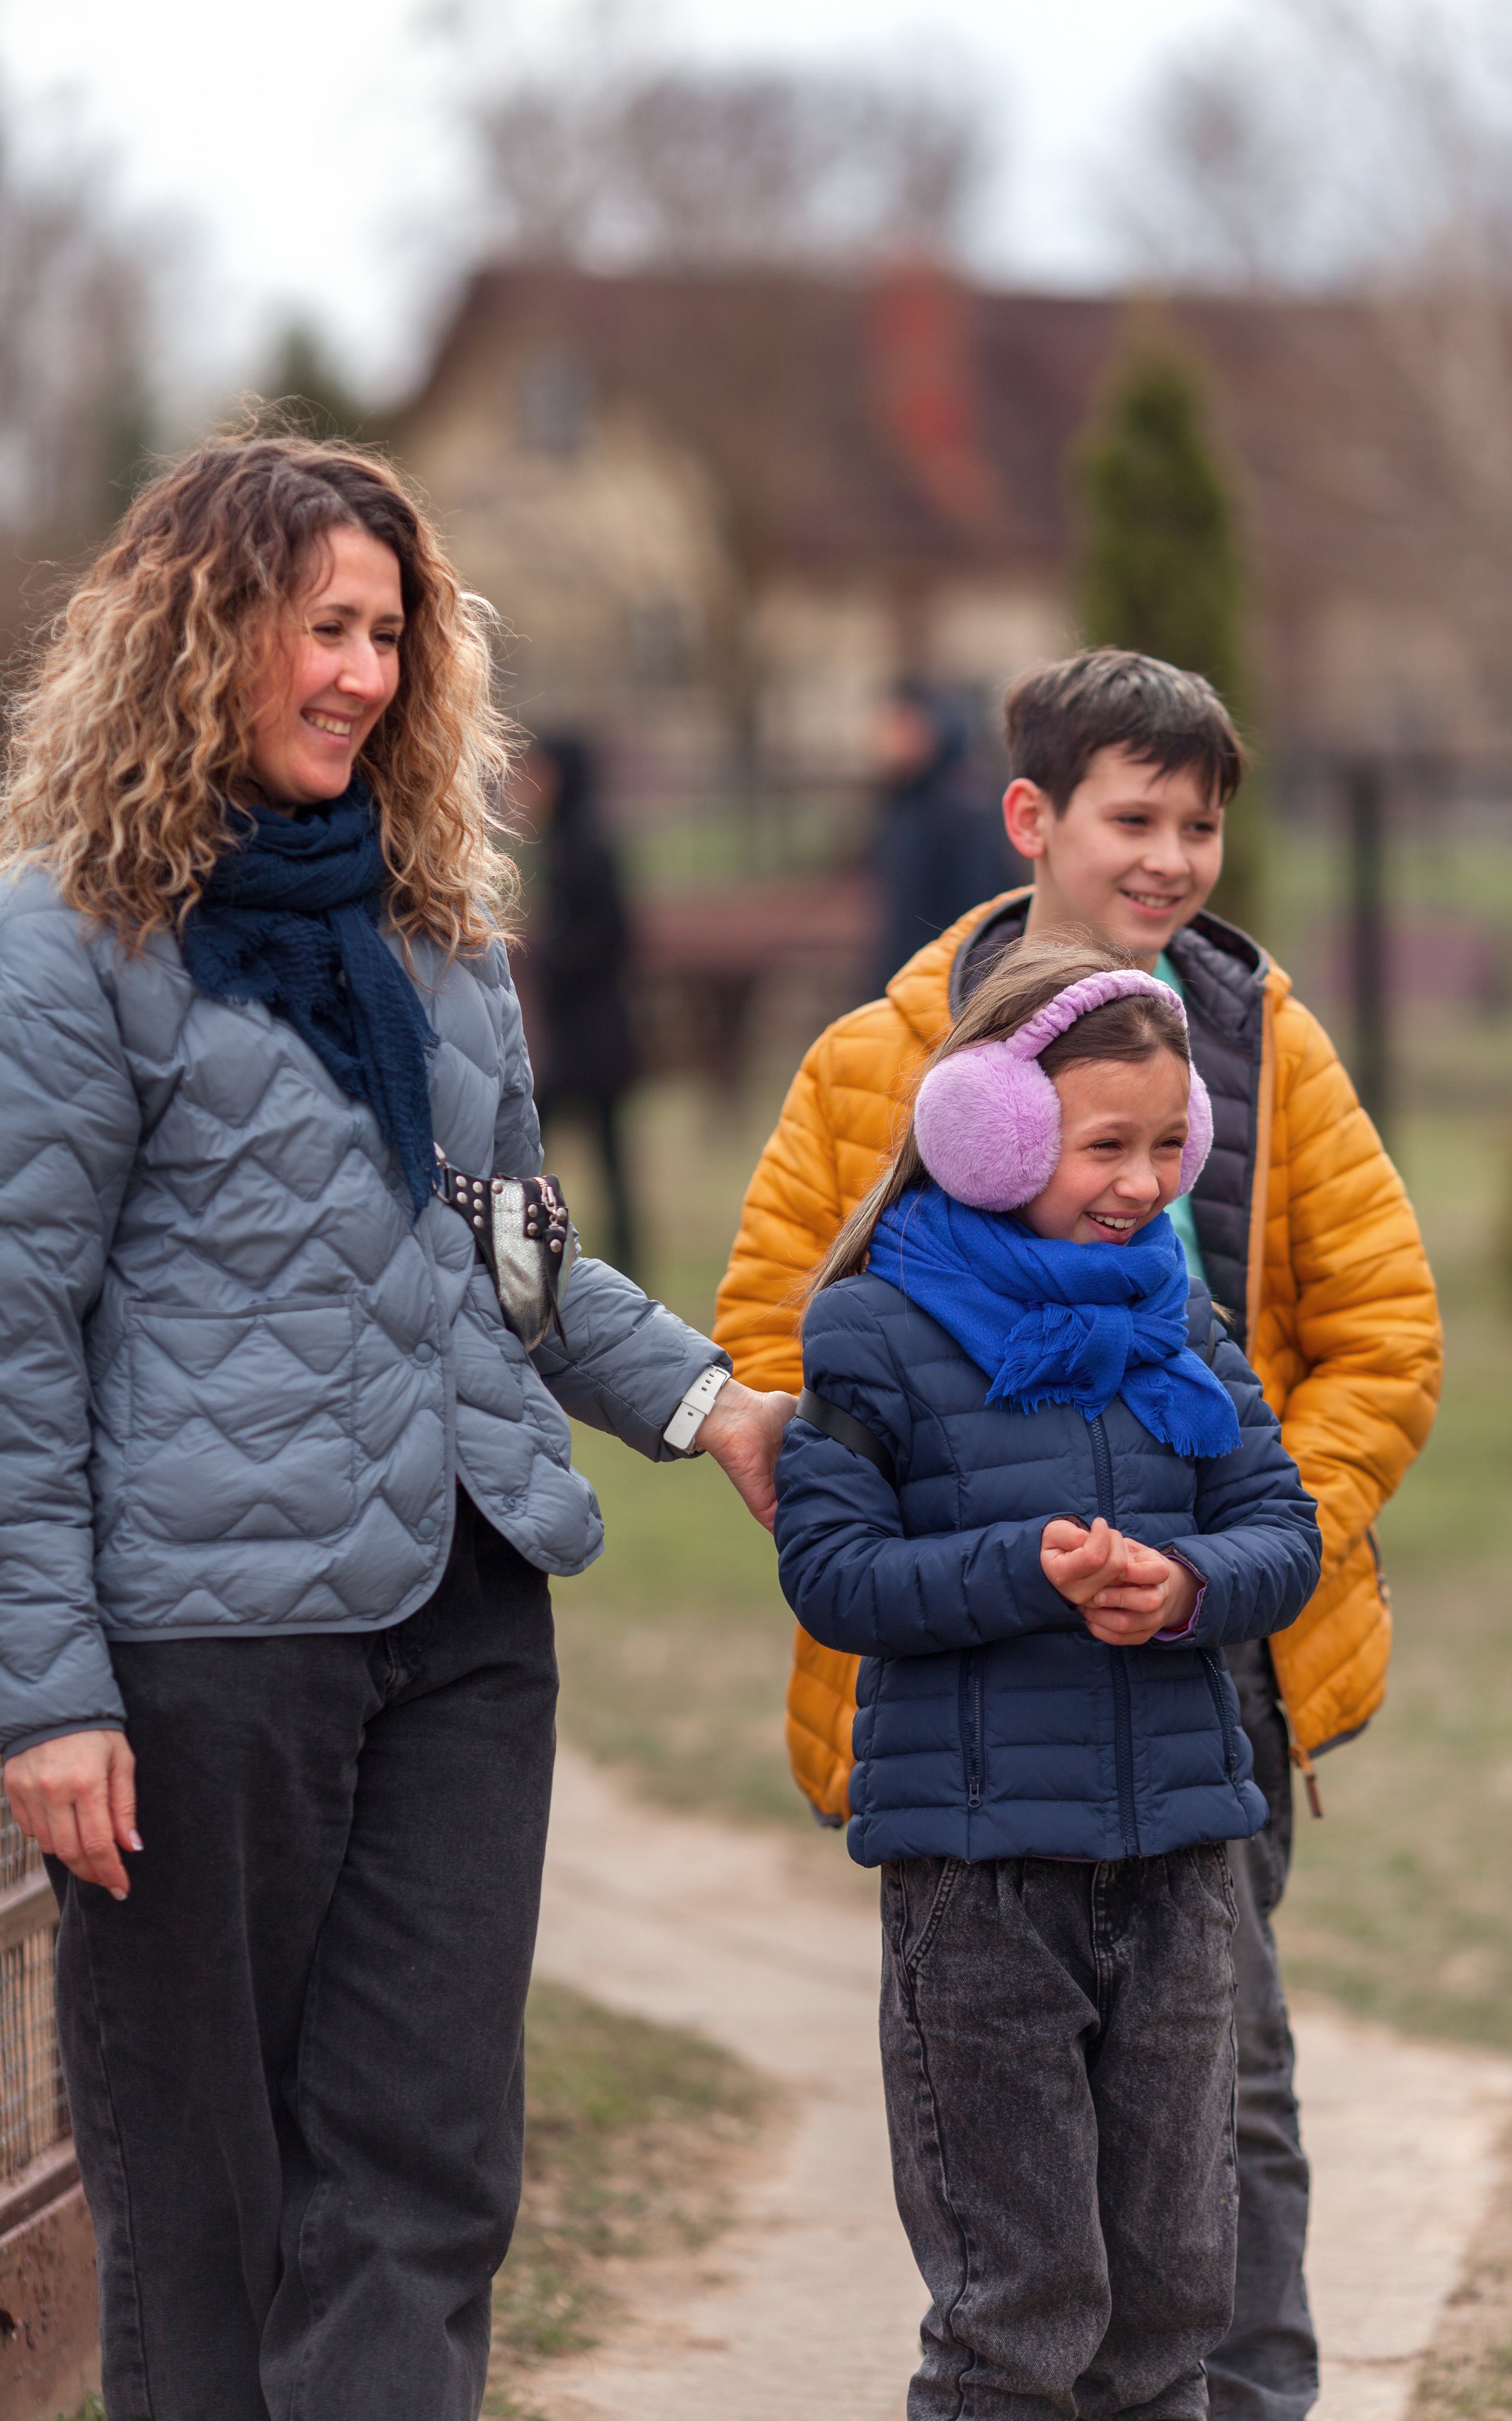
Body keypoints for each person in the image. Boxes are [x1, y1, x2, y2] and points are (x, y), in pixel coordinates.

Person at [0, 433, 793, 2421]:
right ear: (198, 634)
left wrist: (708, 1405)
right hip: (204, 1651)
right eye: (316, 625)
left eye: (386, 629)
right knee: (202, 2205)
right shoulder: (71, 939)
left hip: (462, 1624)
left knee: (426, 2175)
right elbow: (15, 1326)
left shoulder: (434, 931)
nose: (358, 669)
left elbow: (512, 1255)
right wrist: (45, 1691)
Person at [716, 649, 1444, 2421]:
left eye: (1203, 826)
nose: (1176, 858)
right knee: (1019, 2161)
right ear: (1035, 818)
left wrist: (1243, 1544)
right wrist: (915, 1512)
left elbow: (1387, 1330)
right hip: (975, 1707)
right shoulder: (881, 1060)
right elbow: (768, 1339)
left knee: (1223, 2104)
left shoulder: (1270, 1043)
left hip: (1212, 1670)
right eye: (1138, 817)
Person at [773, 936, 1324, 2420]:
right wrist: (1028, 1565)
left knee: (1166, 2300)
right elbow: (831, 1574)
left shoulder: (1178, 1318)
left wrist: (1192, 1582)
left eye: (1166, 1145)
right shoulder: (872, 1332)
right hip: (981, 1884)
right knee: (1018, 2310)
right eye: (1103, 1146)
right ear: (986, 1130)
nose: (1142, 1184)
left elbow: (1284, 1527)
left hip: (1177, 1865)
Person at [526, 733, 642, 1280]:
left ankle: (523, 1246)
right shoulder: (560, 841)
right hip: (577, 1033)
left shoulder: (587, 845)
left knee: (533, 1149)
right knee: (537, 1149)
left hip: (593, 1037)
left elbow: (613, 935)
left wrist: (551, 954)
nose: (533, 787)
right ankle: (523, 1247)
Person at [869, 678, 1015, 990]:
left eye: (902, 727)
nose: (887, 739)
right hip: (909, 974)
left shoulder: (961, 806)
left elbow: (977, 904)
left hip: (946, 984)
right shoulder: (909, 800)